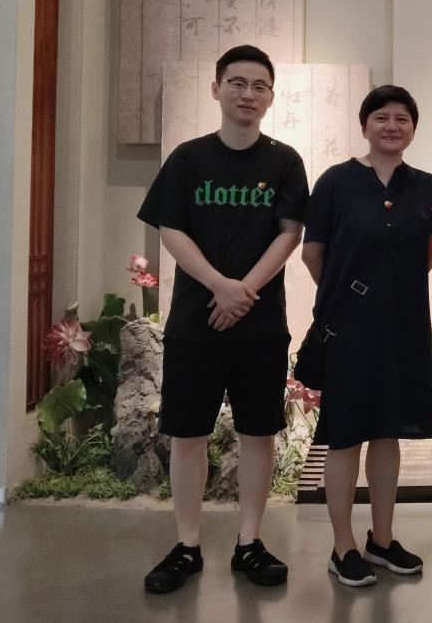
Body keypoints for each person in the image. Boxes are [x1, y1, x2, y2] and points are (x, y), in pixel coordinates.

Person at [138, 45, 308, 593]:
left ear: (271, 97)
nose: (248, 94)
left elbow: (290, 233)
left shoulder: (284, 161)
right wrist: (219, 285)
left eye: (260, 86)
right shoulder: (188, 158)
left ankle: (249, 542)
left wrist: (243, 291)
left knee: (259, 432)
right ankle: (186, 545)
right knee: (188, 433)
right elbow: (170, 228)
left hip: (260, 324)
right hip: (195, 320)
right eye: (237, 83)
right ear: (216, 89)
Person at [301, 86, 432, 588]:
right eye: (381, 117)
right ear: (364, 126)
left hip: (404, 324)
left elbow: (428, 255)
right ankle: (343, 546)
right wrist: (351, 295)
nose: (391, 126)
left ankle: (382, 539)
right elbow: (312, 253)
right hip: (349, 326)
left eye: (402, 118)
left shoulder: (425, 185)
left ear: (413, 129)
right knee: (345, 434)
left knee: (388, 431)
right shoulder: (336, 181)